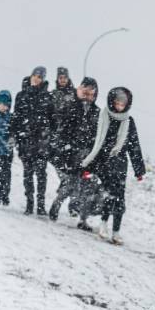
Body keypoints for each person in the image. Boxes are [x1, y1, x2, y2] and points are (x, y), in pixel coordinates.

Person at [79, 86, 146, 245]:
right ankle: (103, 224)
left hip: (120, 164)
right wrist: (87, 165)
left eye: (123, 104)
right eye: (117, 102)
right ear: (112, 101)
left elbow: (134, 145)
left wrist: (138, 170)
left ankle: (116, 231)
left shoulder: (129, 121)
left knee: (119, 198)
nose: (119, 106)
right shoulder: (102, 116)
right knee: (109, 195)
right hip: (103, 162)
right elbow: (93, 141)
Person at [49, 76, 100, 226]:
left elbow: (98, 135)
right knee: (70, 184)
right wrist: (66, 147)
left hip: (88, 156)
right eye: (86, 92)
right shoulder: (70, 107)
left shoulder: (97, 112)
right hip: (70, 154)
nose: (89, 95)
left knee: (87, 188)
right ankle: (57, 204)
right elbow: (62, 130)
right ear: (80, 90)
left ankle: (83, 220)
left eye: (92, 93)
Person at [10, 66, 53, 215]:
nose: (36, 78)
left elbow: (52, 120)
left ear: (43, 79)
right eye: (35, 75)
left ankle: (40, 205)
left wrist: (49, 136)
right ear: (31, 76)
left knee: (41, 174)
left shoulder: (48, 97)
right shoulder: (21, 95)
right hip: (25, 140)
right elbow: (16, 117)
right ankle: (29, 204)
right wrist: (14, 135)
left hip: (41, 142)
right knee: (27, 173)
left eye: (40, 77)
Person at [47, 67, 76, 221]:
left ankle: (73, 206)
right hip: (56, 141)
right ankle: (60, 201)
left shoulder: (74, 94)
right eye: (60, 78)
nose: (62, 80)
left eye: (65, 77)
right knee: (64, 176)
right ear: (57, 79)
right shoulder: (53, 95)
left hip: (71, 141)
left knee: (73, 175)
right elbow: (48, 115)